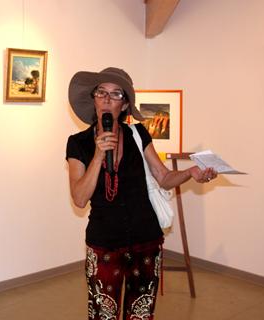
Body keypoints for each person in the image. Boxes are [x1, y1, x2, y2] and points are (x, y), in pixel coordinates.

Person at [66, 67, 217, 320]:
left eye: (115, 94)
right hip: (104, 243)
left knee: (141, 313)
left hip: (146, 240)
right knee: (104, 314)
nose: (106, 98)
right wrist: (99, 154)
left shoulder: (138, 134)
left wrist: (191, 172)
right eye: (101, 92)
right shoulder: (78, 142)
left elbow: (164, 178)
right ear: (93, 98)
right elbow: (79, 198)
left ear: (124, 105)